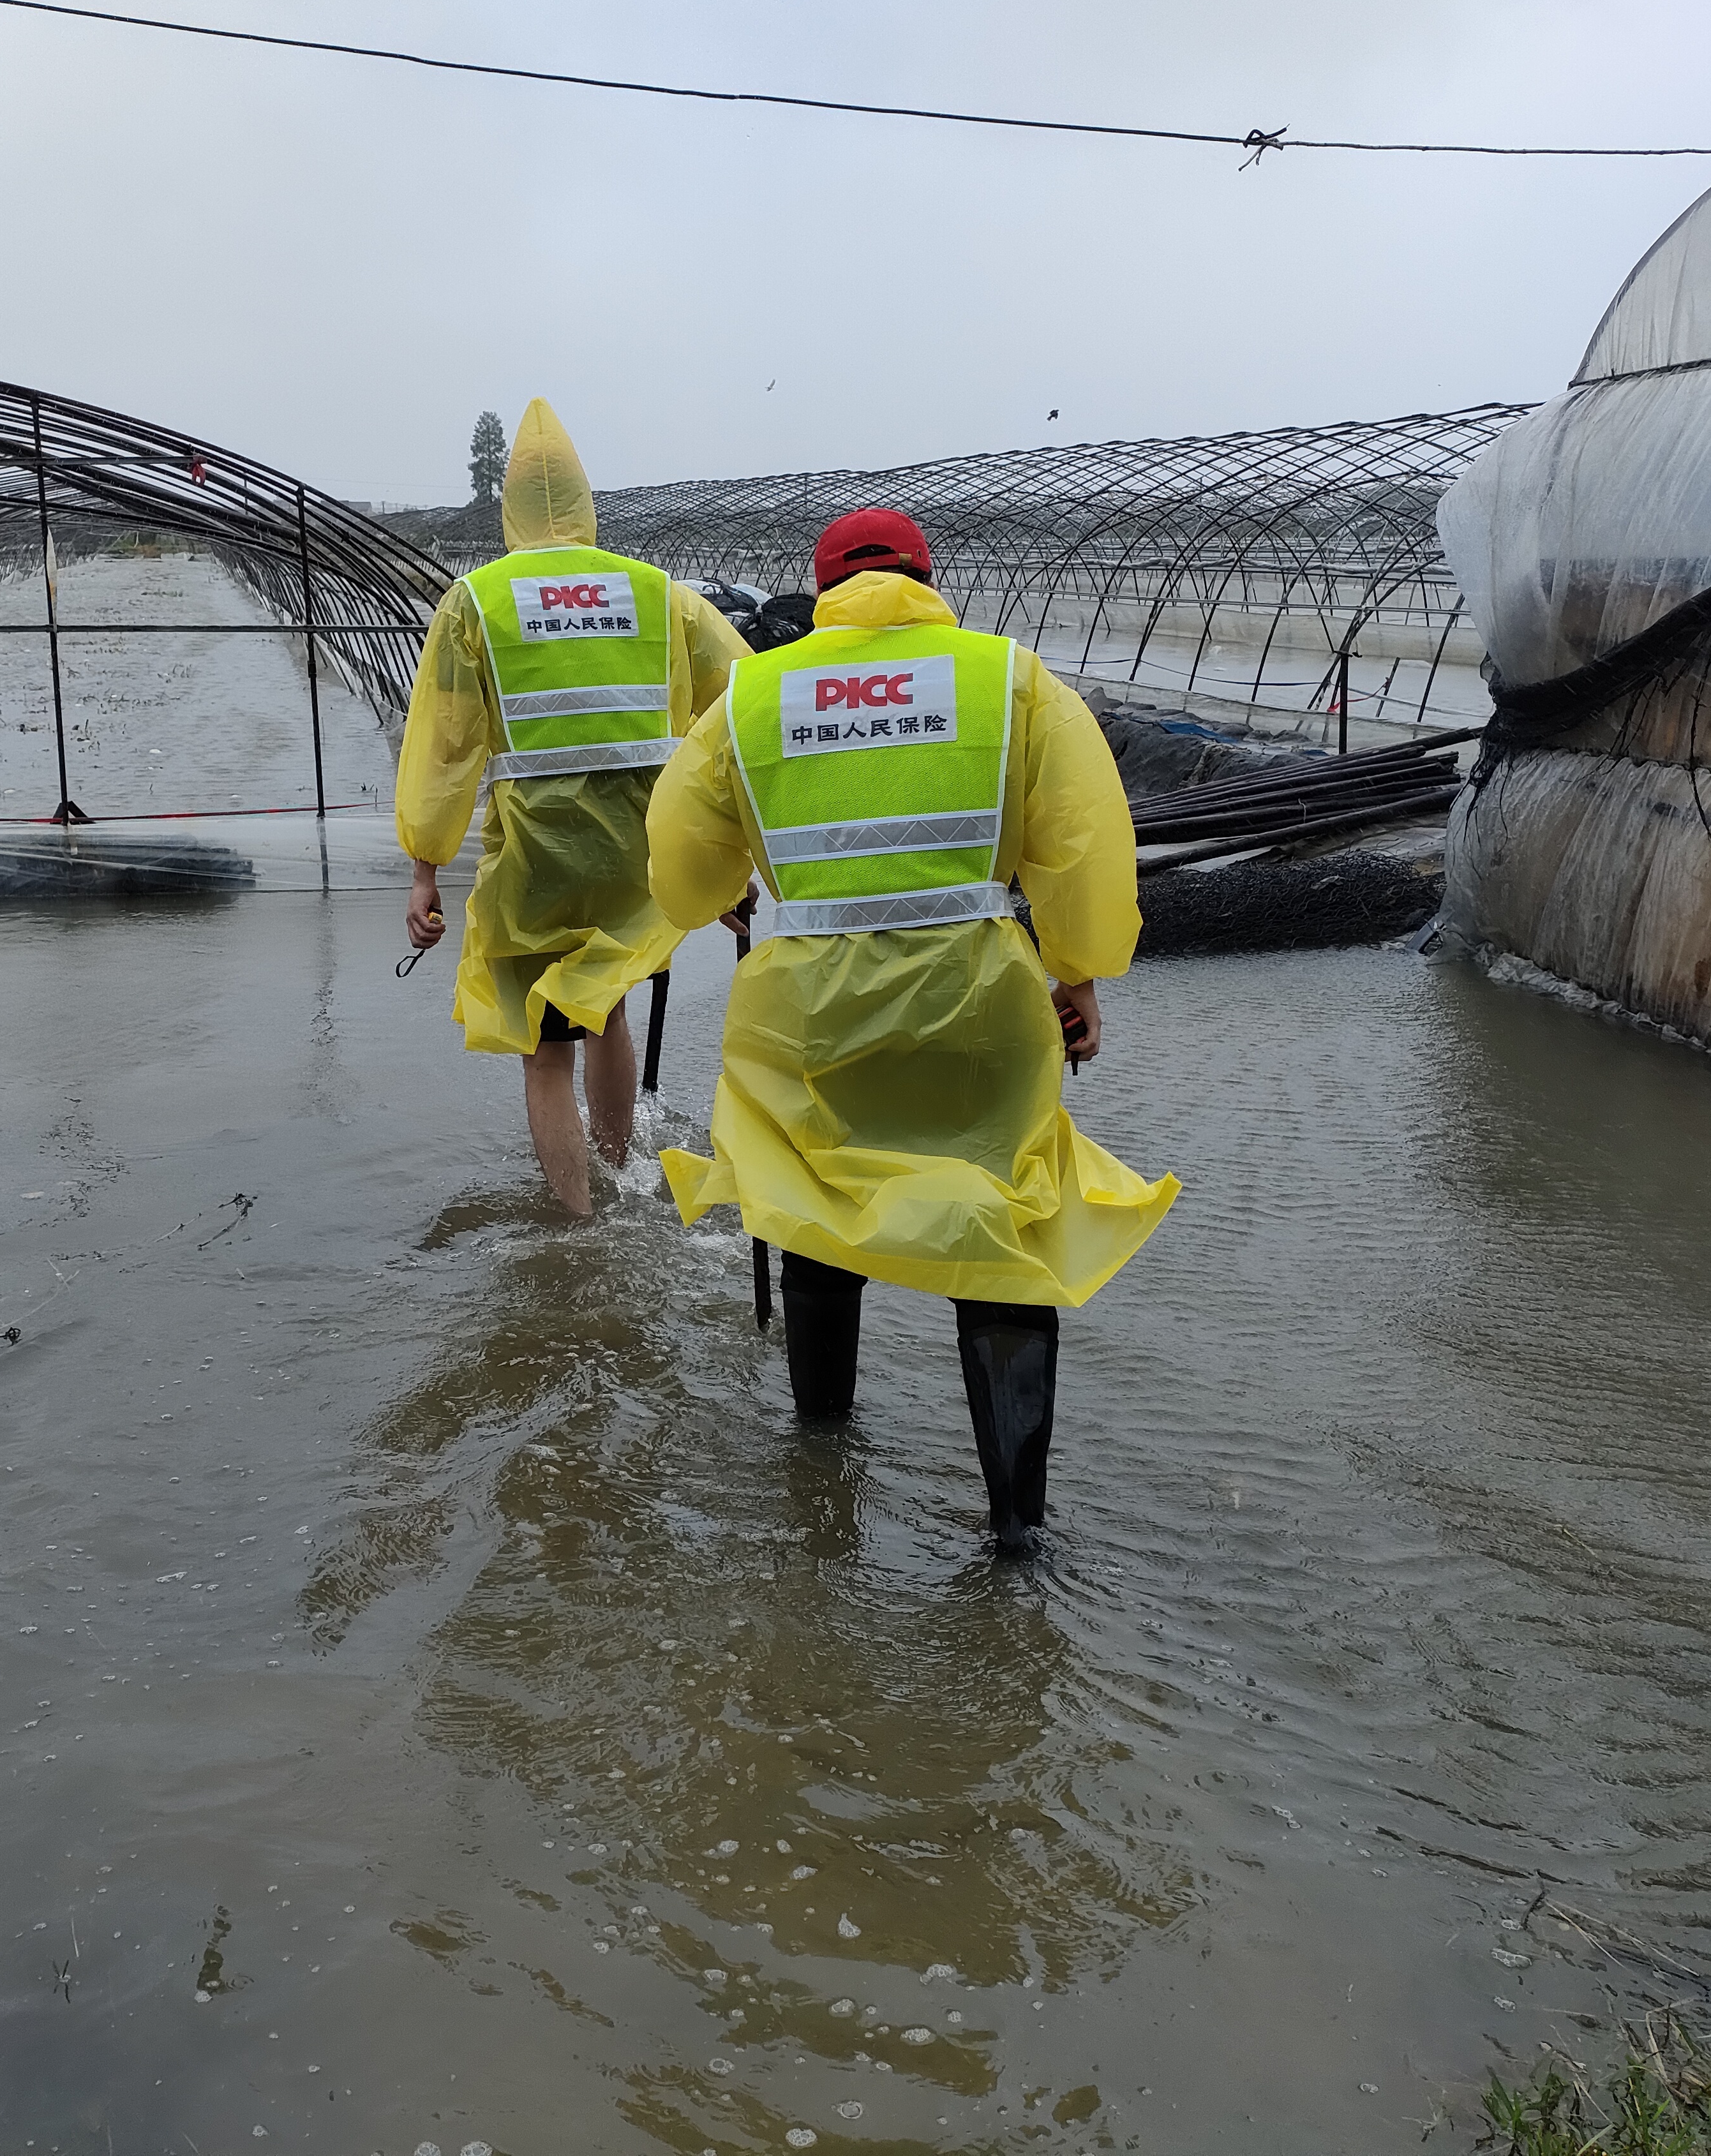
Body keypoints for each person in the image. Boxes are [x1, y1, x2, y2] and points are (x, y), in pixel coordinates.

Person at [647, 507, 1178, 1550]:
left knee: (811, 1210)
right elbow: (1082, 843)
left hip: (803, 1012)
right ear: (928, 579)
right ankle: (1016, 1528)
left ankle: (822, 1472)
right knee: (1000, 1229)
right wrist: (1075, 974)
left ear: (823, 587)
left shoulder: (752, 695)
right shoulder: (1009, 680)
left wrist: (721, 890)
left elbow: (675, 853)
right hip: (977, 1001)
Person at [399, 400, 751, 1216]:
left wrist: (425, 869)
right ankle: (619, 1173)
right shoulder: (657, 593)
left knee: (545, 1050)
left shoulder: (477, 601)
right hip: (636, 849)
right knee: (609, 1011)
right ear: (588, 502)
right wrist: (728, 849)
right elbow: (742, 704)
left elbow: (444, 748)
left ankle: (578, 1218)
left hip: (538, 850)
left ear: (508, 507)